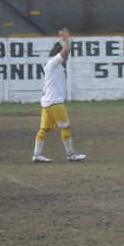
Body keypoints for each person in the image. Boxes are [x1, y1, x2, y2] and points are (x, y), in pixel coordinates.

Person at [32, 28, 86, 163]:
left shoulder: (56, 66)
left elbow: (66, 52)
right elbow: (65, 51)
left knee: (44, 128)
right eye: (65, 57)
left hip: (46, 102)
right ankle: (70, 154)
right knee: (66, 126)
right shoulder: (53, 63)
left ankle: (37, 154)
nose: (67, 58)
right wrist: (67, 39)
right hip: (54, 102)